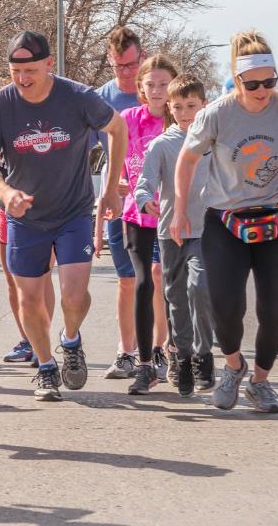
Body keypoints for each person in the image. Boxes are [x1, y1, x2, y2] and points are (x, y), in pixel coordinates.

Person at [173, 30, 278, 415]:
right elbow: (187, 159)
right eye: (253, 84)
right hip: (226, 221)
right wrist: (180, 210)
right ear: (238, 81)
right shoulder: (216, 114)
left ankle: (261, 382)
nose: (262, 90)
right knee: (224, 305)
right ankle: (234, 366)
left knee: (274, 310)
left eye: (270, 82)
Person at [0, 30, 127, 401]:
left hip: (73, 212)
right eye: (15, 71)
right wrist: (6, 192)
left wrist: (110, 188)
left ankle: (70, 340)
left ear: (49, 63)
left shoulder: (77, 97)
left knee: (74, 297)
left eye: (30, 70)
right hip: (25, 217)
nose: (22, 79)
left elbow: (118, 128)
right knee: (30, 300)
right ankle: (46, 367)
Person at [135, 75, 215, 397]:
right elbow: (144, 183)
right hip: (172, 233)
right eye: (178, 107)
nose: (185, 113)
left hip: (207, 230)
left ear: (204, 106)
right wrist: (145, 200)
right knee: (176, 299)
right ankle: (181, 358)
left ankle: (203, 355)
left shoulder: (213, 142)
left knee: (200, 288)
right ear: (169, 107)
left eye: (191, 106)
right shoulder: (162, 145)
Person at [111, 53, 177, 393]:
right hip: (136, 213)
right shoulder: (127, 119)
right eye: (151, 84)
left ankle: (163, 348)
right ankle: (143, 362)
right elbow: (119, 163)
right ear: (140, 87)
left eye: (164, 84)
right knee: (141, 281)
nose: (157, 91)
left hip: (170, 214)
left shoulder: (179, 121)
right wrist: (119, 183)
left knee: (161, 277)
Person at [93, 27, 147, 380]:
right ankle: (126, 352)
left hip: (159, 205)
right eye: (118, 66)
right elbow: (82, 148)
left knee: (159, 279)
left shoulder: (157, 93)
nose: (126, 73)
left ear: (143, 57)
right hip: (120, 202)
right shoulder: (100, 99)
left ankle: (160, 350)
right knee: (127, 279)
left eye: (131, 64)